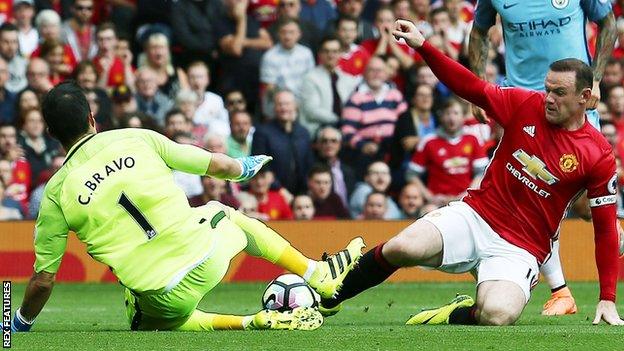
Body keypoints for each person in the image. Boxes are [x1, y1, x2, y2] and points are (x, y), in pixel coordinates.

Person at [318, 20, 624, 327]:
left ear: (585, 97)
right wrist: (423, 46)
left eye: (559, 92)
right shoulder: (524, 104)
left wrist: (607, 299)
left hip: (521, 247)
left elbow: (606, 229)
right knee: (402, 246)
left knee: (498, 315)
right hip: (475, 216)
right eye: (547, 89)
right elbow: (471, 87)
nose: (549, 98)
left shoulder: (597, 154)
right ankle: (328, 299)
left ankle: (453, 313)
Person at [10, 81, 366, 333]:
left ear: (54, 135)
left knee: (148, 316)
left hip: (162, 295)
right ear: (92, 118)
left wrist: (20, 322)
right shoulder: (135, 137)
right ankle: (315, 273)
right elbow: (218, 165)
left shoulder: (54, 193)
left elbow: (43, 280)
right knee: (224, 213)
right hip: (207, 257)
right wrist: (245, 167)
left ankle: (250, 322)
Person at [468, 0, 618, 316]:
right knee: (530, 197)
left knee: (583, 206)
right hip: (522, 106)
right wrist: (479, 87)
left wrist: (595, 80)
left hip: (574, 104)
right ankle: (560, 291)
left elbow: (608, 22)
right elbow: (479, 31)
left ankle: (571, 279)